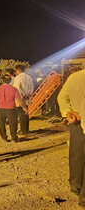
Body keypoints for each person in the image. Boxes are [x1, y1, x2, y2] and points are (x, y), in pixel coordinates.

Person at [58, 69, 85, 207]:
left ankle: (75, 186)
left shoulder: (75, 77)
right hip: (80, 118)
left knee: (77, 154)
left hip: (76, 122)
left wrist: (68, 113)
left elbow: (62, 97)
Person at [0, 75, 27, 142]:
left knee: (1, 123)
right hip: (11, 109)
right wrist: (24, 107)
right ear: (10, 81)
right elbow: (18, 100)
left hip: (0, 109)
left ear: (2, 80)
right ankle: (14, 137)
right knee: (13, 123)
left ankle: (4, 137)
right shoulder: (14, 89)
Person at [13, 65, 34, 136]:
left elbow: (17, 89)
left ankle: (23, 130)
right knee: (26, 113)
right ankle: (26, 130)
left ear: (18, 70)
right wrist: (28, 94)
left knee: (21, 114)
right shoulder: (29, 77)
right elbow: (32, 87)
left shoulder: (17, 78)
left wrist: (22, 95)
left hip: (20, 99)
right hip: (27, 98)